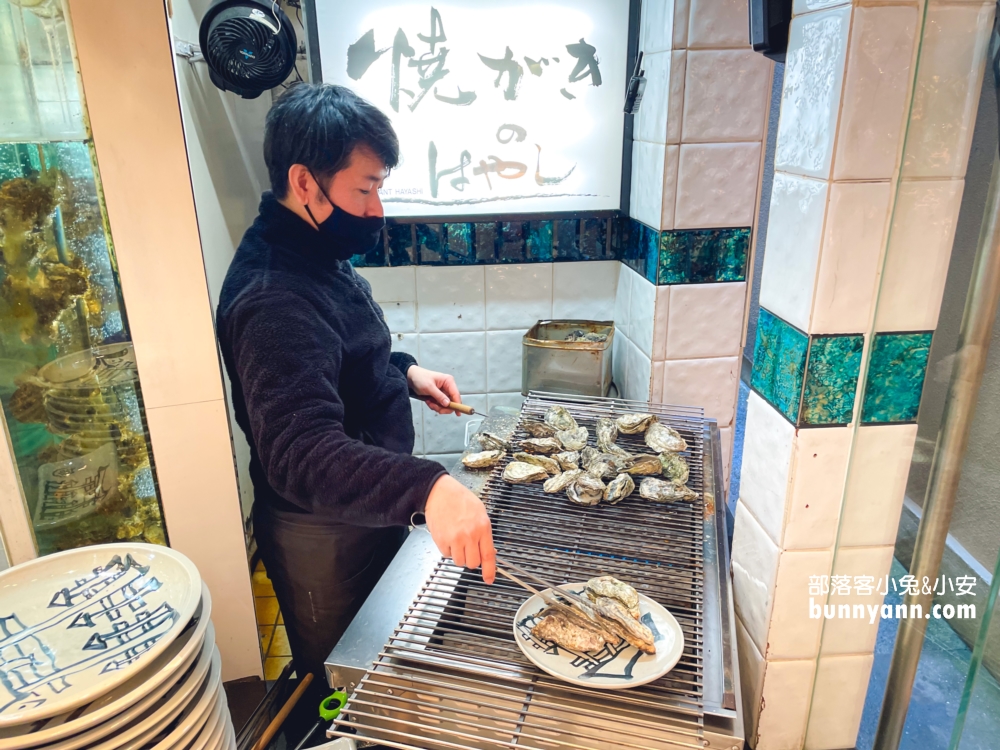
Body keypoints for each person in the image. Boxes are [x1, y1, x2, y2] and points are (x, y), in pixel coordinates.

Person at [216, 82, 496, 680]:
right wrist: (429, 488)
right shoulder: (272, 296)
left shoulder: (313, 251)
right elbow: (301, 452)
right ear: (304, 182)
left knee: (388, 662)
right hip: (321, 532)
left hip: (363, 504)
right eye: (364, 189)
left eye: (379, 188)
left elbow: (334, 366)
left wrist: (403, 372)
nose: (376, 210)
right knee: (345, 685)